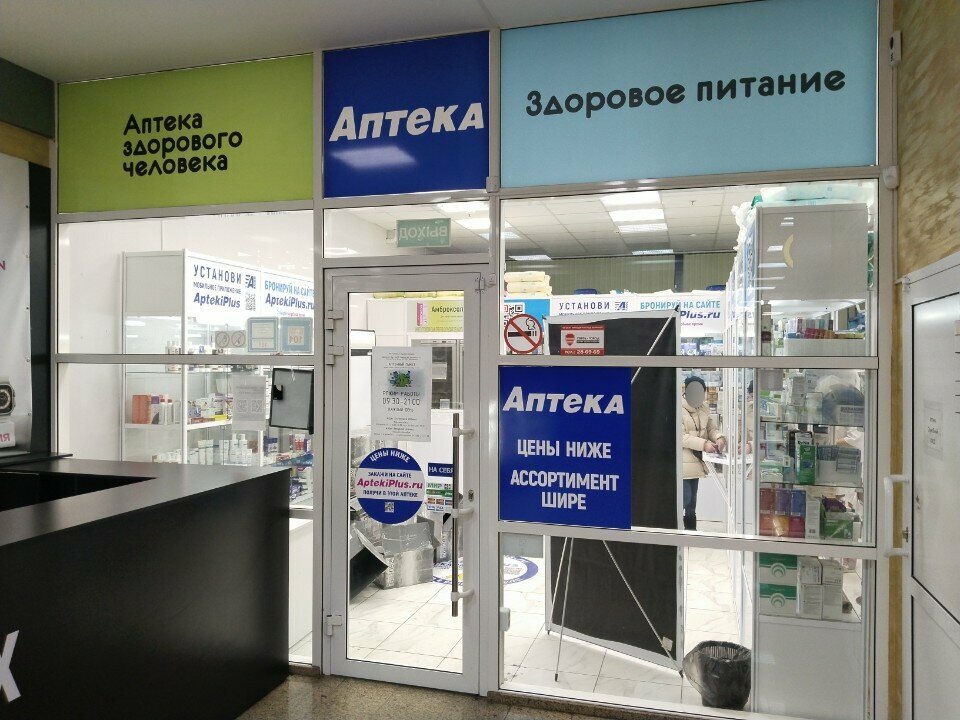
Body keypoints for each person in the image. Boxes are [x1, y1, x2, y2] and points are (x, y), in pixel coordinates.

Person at [681, 375, 726, 531]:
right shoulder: (678, 409)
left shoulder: (704, 408)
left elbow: (711, 428)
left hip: (698, 460)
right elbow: (681, 437)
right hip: (683, 462)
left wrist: (719, 437)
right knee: (685, 499)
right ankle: (676, 532)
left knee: (692, 502)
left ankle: (690, 532)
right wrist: (704, 444)